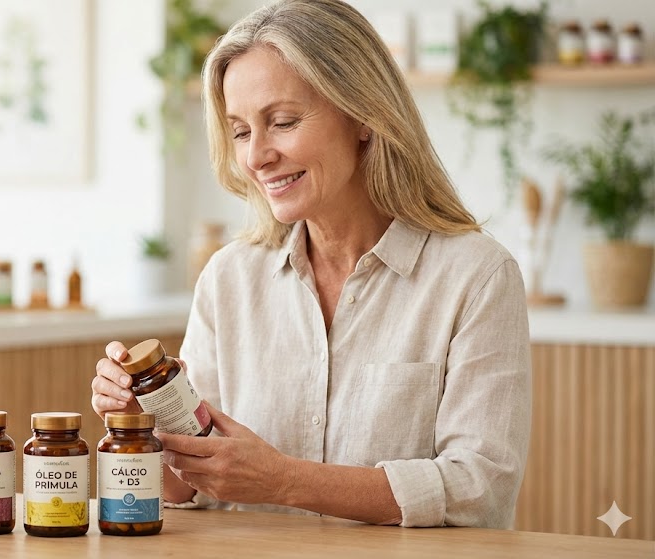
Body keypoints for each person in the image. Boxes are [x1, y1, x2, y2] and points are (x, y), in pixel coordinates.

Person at [91, 0, 530, 529]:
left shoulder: (476, 277)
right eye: (240, 131)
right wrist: (142, 426)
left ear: (364, 116)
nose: (256, 156)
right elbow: (187, 486)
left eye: (282, 122)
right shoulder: (229, 278)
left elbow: (479, 487)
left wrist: (284, 480)